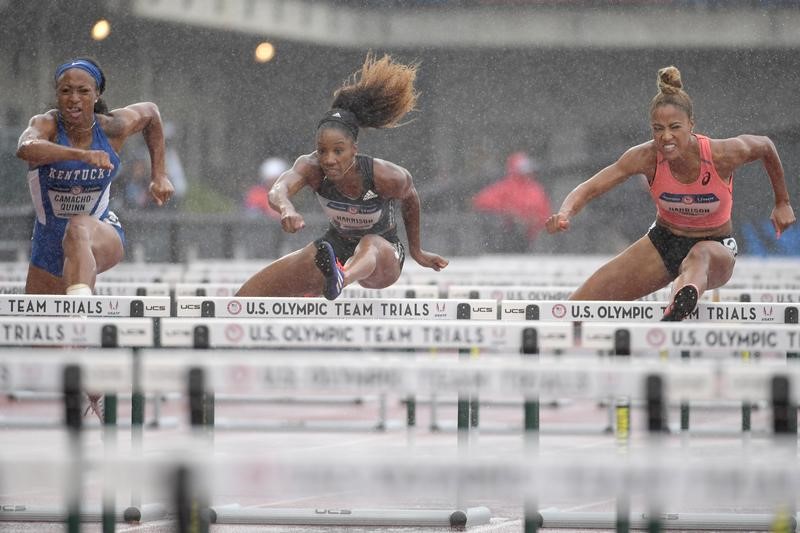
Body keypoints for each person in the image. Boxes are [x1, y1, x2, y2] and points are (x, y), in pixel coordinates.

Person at [545, 65, 795, 321]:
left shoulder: (721, 154)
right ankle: (679, 302)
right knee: (573, 309)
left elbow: (766, 146)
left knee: (699, 255)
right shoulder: (645, 157)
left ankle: (681, 301)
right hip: (664, 242)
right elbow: (590, 188)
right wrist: (564, 213)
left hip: (715, 247)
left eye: (674, 127)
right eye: (658, 129)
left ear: (691, 125)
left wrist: (782, 202)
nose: (666, 137)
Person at [236, 52, 448, 300]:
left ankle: (341, 277)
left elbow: (410, 196)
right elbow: (278, 189)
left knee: (370, 243)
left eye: (338, 151)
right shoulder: (310, 166)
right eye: (322, 150)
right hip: (336, 246)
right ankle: (334, 273)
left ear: (354, 150)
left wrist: (417, 251)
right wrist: (286, 209)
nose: (329, 159)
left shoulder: (386, 175)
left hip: (383, 254)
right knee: (249, 295)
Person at [16, 57, 174, 296]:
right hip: (48, 242)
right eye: (66, 91)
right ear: (57, 95)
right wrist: (82, 155)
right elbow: (25, 148)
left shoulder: (112, 127)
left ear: (97, 94)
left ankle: (82, 319)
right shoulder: (46, 125)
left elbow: (151, 113)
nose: (74, 98)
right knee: (45, 326)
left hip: (99, 231)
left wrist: (159, 175)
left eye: (83, 91)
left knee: (78, 227)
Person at [472, 151, 551, 252]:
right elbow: (482, 201)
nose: (526, 173)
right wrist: (507, 213)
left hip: (531, 237)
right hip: (508, 234)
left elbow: (544, 212)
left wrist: (534, 221)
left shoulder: (536, 189)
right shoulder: (506, 187)